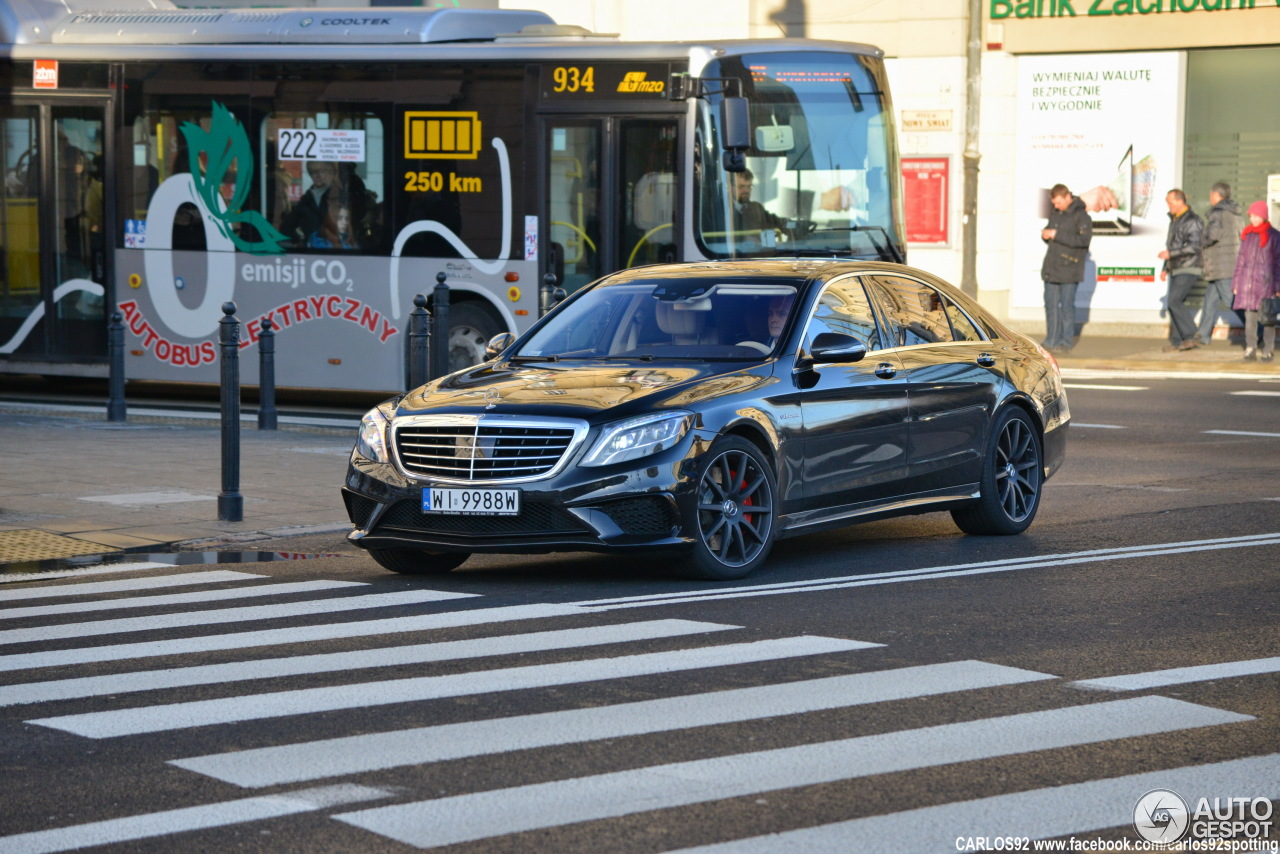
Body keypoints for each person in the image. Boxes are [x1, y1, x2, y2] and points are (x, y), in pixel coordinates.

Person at [1039, 183, 1092, 354]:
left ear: (1068, 197)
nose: (1056, 206)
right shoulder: (1056, 213)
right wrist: (1046, 235)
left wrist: (1057, 234)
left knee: (1067, 307)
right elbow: (1054, 237)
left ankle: (1065, 342)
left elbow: (1083, 241)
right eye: (1054, 203)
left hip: (1070, 268)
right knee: (1050, 305)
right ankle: (1051, 340)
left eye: (1059, 202)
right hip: (1052, 267)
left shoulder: (1082, 216)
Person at [1232, 200, 1280, 362]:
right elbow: (1240, 261)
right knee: (1250, 319)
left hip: (1267, 285)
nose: (1252, 219)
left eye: (1256, 216)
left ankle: (1267, 350)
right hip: (1248, 284)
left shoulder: (1274, 236)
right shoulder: (1247, 234)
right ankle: (1250, 348)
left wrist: (1278, 286)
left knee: (1268, 320)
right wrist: (1236, 283)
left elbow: (1278, 263)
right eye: (1251, 216)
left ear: (1264, 217)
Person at [1157, 189, 1205, 352]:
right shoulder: (1175, 219)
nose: (1168, 206)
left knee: (1174, 301)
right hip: (1176, 267)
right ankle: (1179, 341)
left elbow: (1194, 246)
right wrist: (1165, 267)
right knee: (1175, 303)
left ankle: (1191, 334)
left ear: (1179, 201)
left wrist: (1170, 254)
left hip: (1189, 266)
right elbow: (1172, 245)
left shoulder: (1192, 220)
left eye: (1170, 203)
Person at [1197, 182, 1243, 346]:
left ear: (1216, 195)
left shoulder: (1218, 213)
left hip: (1222, 266)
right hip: (1226, 265)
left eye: (1211, 194)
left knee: (1232, 301)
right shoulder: (1235, 212)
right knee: (1209, 302)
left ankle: (1257, 331)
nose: (1210, 198)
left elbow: (1212, 235)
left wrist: (1199, 239)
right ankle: (1202, 336)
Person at [731, 169, 783, 234]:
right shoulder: (722, 211)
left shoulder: (756, 208)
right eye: (741, 186)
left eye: (749, 186)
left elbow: (776, 222)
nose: (746, 190)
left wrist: (793, 225)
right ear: (731, 187)